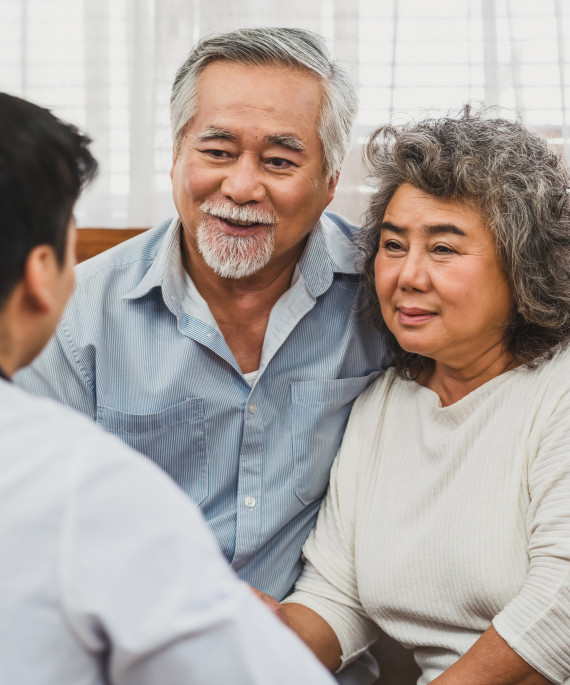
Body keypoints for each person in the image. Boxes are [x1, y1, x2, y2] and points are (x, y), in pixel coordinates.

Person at [15, 26, 389, 684]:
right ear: (175, 158)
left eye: (279, 161)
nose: (240, 186)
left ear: (331, 183)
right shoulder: (78, 316)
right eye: (215, 150)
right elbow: (32, 522)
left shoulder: (389, 298)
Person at [277, 107, 570, 685]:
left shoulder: (558, 391)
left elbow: (559, 610)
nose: (407, 275)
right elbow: (338, 594)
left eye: (443, 248)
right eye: (392, 244)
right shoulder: (383, 403)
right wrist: (249, 641)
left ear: (523, 265)